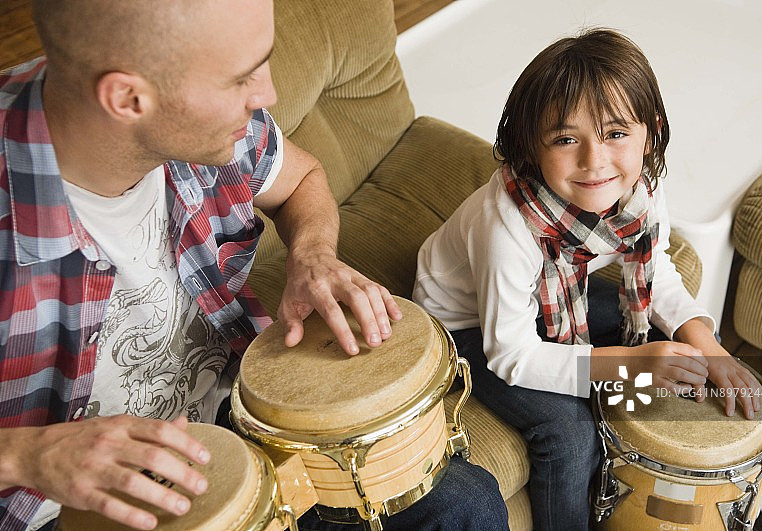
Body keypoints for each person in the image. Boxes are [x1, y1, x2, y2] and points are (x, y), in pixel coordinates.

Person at [0, 1, 507, 530]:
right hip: (57, 506)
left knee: (462, 502)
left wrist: (312, 254)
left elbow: (301, 179)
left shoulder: (210, 128)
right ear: (128, 99)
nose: (267, 95)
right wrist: (28, 456)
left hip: (233, 420)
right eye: (241, 79)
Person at [413, 28, 762, 530]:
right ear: (531, 147)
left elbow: (656, 273)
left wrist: (708, 346)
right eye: (565, 139)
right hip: (465, 325)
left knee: (676, 347)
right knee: (569, 431)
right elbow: (511, 354)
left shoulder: (640, 190)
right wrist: (626, 366)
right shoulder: (506, 227)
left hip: (555, 294)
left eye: (616, 133)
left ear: (650, 133)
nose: (594, 161)